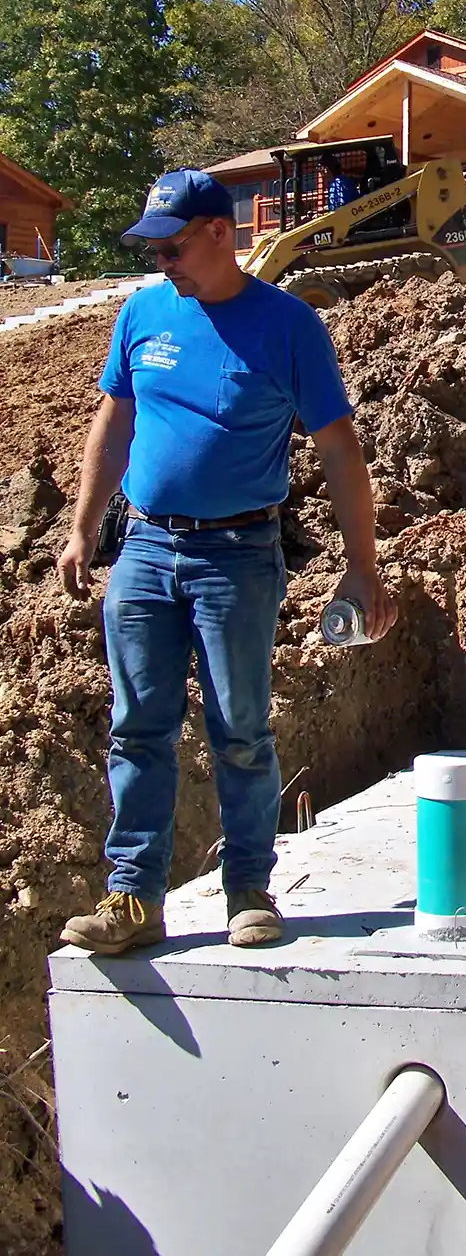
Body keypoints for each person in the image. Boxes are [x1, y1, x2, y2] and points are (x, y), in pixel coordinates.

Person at [56, 168, 396, 956]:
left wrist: (361, 565)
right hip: (144, 547)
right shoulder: (143, 313)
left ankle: (248, 887)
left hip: (237, 555)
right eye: (152, 250)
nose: (161, 263)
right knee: (138, 728)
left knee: (239, 729)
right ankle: (133, 899)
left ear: (218, 233)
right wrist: (82, 529)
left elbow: (340, 452)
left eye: (172, 247)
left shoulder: (288, 326)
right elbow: (113, 422)